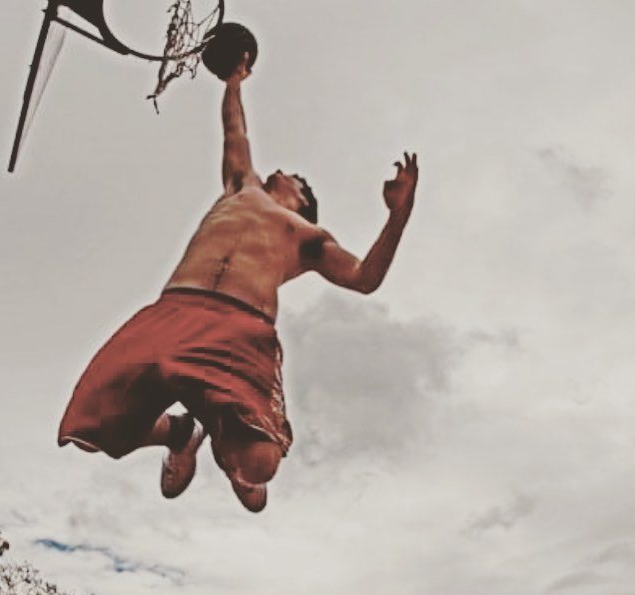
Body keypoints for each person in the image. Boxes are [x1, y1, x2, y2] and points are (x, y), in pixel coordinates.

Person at [58, 55, 419, 512]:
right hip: (175, 309)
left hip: (238, 327)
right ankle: (180, 433)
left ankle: (232, 450)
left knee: (259, 463)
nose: (282, 172)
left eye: (294, 178)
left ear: (302, 201)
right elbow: (236, 131)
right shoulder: (241, 186)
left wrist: (398, 217)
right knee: (93, 428)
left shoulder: (308, 237)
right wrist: (234, 82)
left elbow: (365, 278)